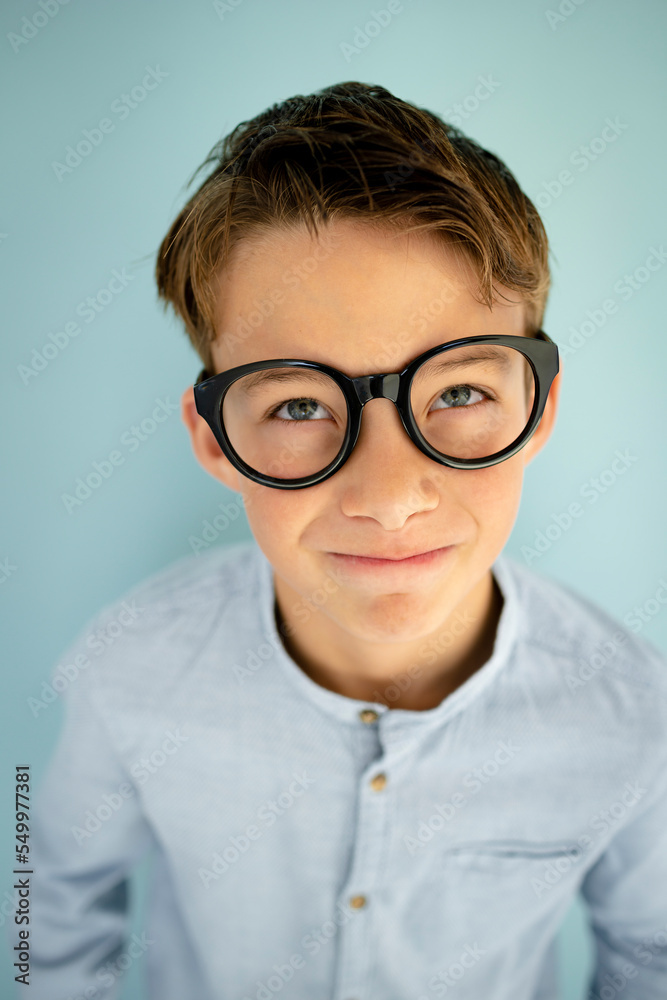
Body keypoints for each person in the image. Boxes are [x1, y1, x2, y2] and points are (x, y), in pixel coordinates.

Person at [25, 82, 667, 1000]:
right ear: (214, 440)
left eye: (457, 393)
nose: (389, 495)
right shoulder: (126, 668)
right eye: (296, 404)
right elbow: (38, 896)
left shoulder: (633, 711)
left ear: (540, 407)